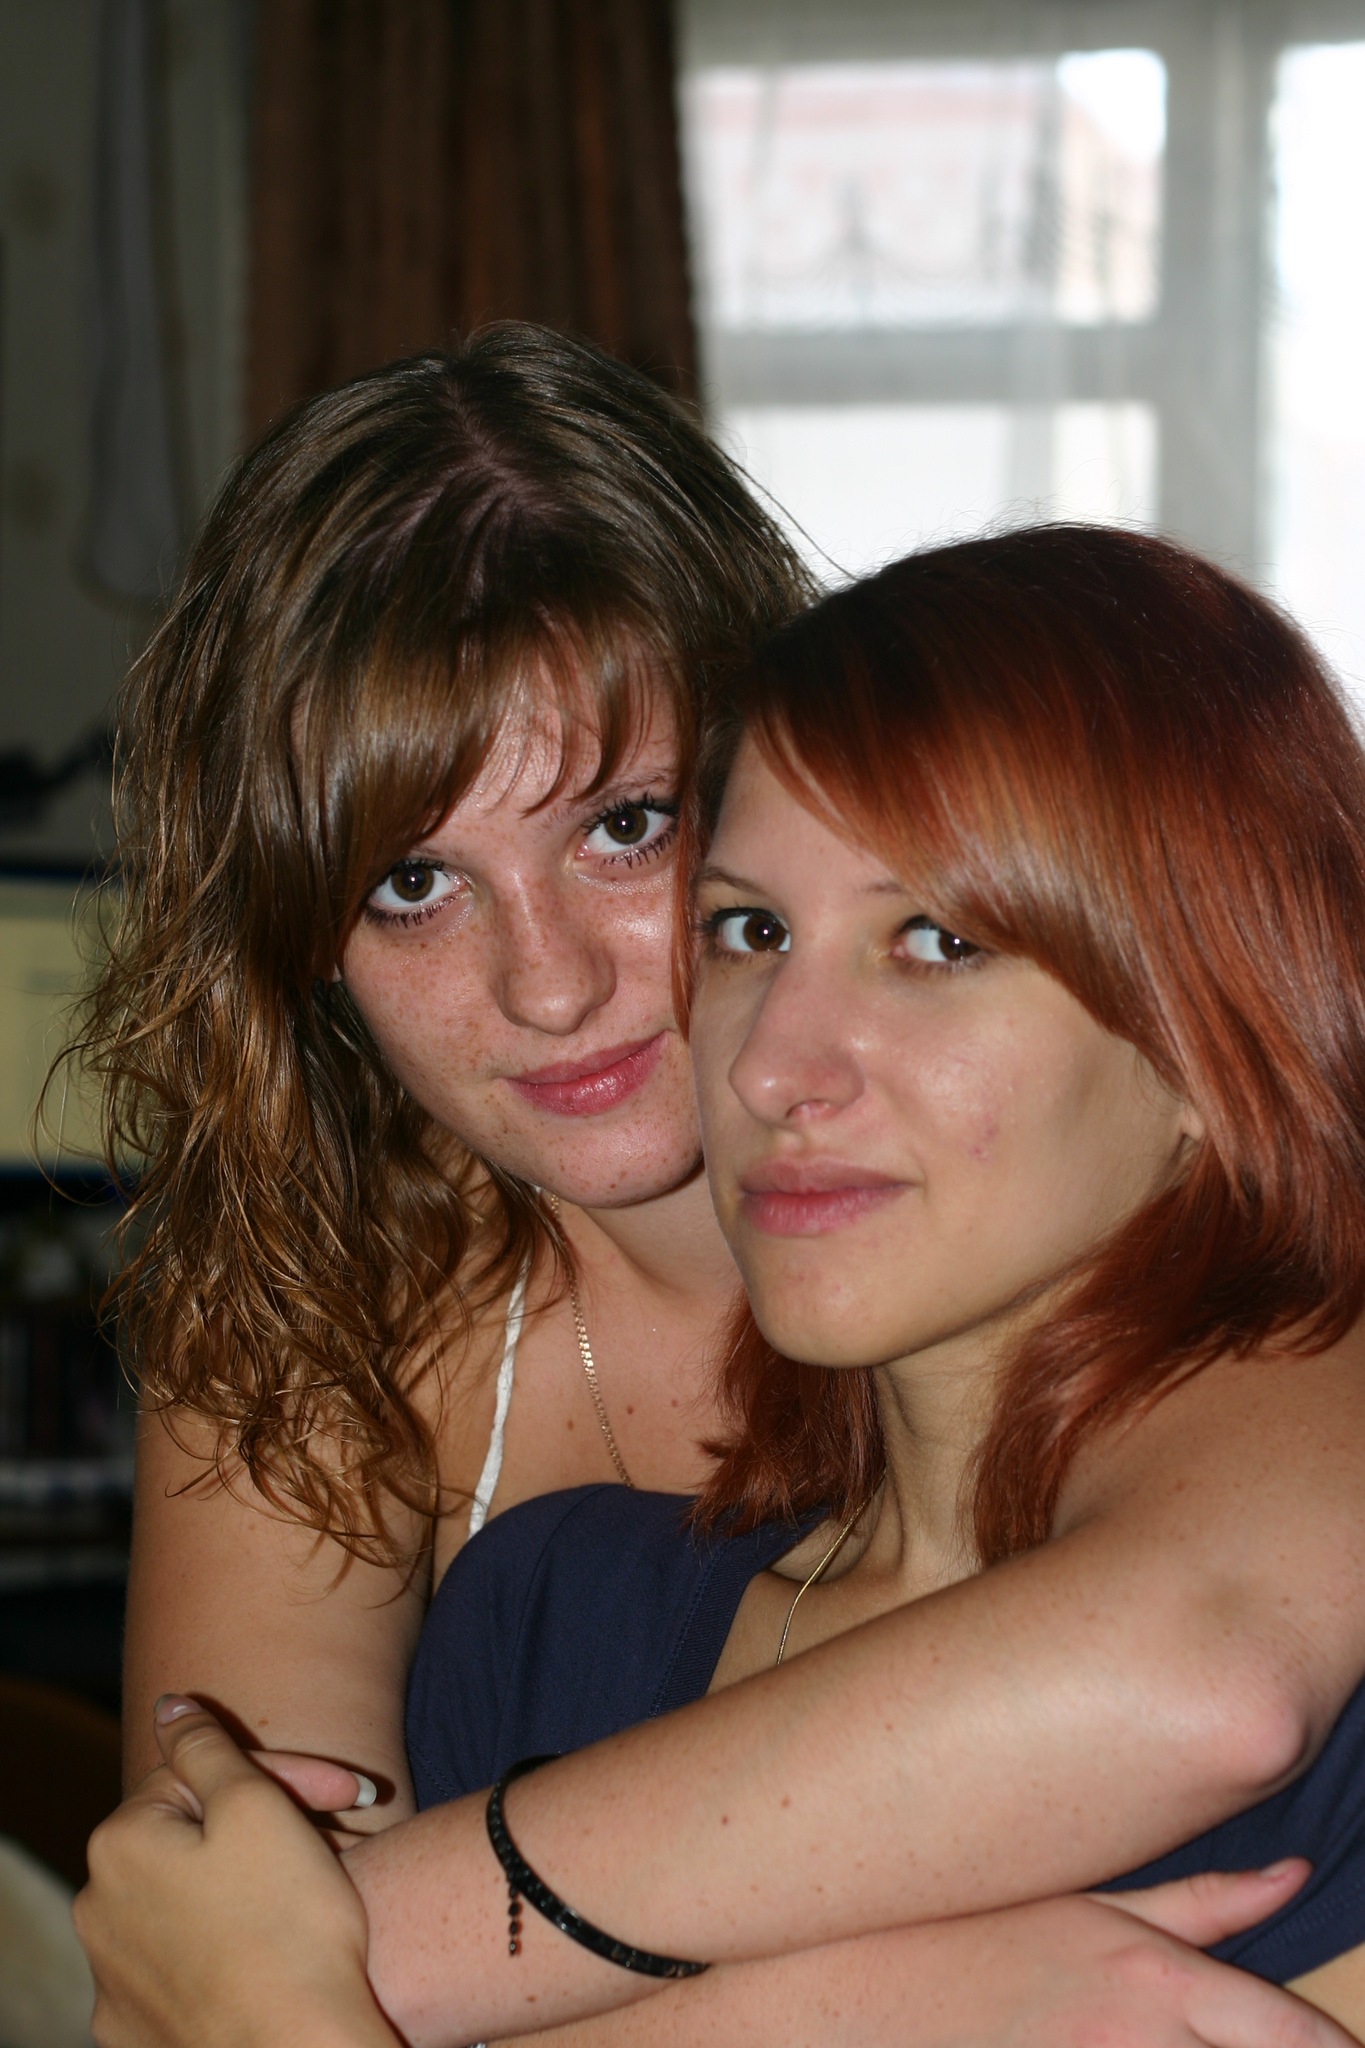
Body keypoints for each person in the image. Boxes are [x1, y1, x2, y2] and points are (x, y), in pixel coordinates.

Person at [77, 515, 1365, 2047]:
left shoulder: (1330, 1731)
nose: (770, 1065)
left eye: (936, 941)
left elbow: (227, 1973)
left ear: (1219, 1037)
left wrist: (311, 1975)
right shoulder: (541, 1616)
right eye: (752, 930)